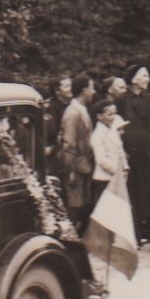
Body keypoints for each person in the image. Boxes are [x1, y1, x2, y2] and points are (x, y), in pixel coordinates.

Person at [117, 64, 150, 244]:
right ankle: (132, 229)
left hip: (146, 150)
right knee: (132, 189)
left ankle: (146, 229)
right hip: (129, 151)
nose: (147, 79)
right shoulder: (121, 100)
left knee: (146, 188)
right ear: (134, 79)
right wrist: (121, 149)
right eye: (144, 76)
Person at [59, 76, 96, 233]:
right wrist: (71, 170)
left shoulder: (82, 109)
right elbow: (69, 144)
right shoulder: (73, 113)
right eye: (91, 88)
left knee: (84, 202)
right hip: (77, 166)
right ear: (84, 90)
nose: (94, 92)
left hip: (85, 164)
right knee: (75, 204)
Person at [89, 99, 129, 225]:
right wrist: (116, 172)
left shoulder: (112, 131)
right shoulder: (97, 134)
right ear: (99, 116)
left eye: (114, 113)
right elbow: (101, 160)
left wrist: (125, 168)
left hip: (118, 177)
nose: (113, 117)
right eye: (109, 114)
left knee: (118, 212)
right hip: (105, 178)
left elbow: (120, 151)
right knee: (107, 214)